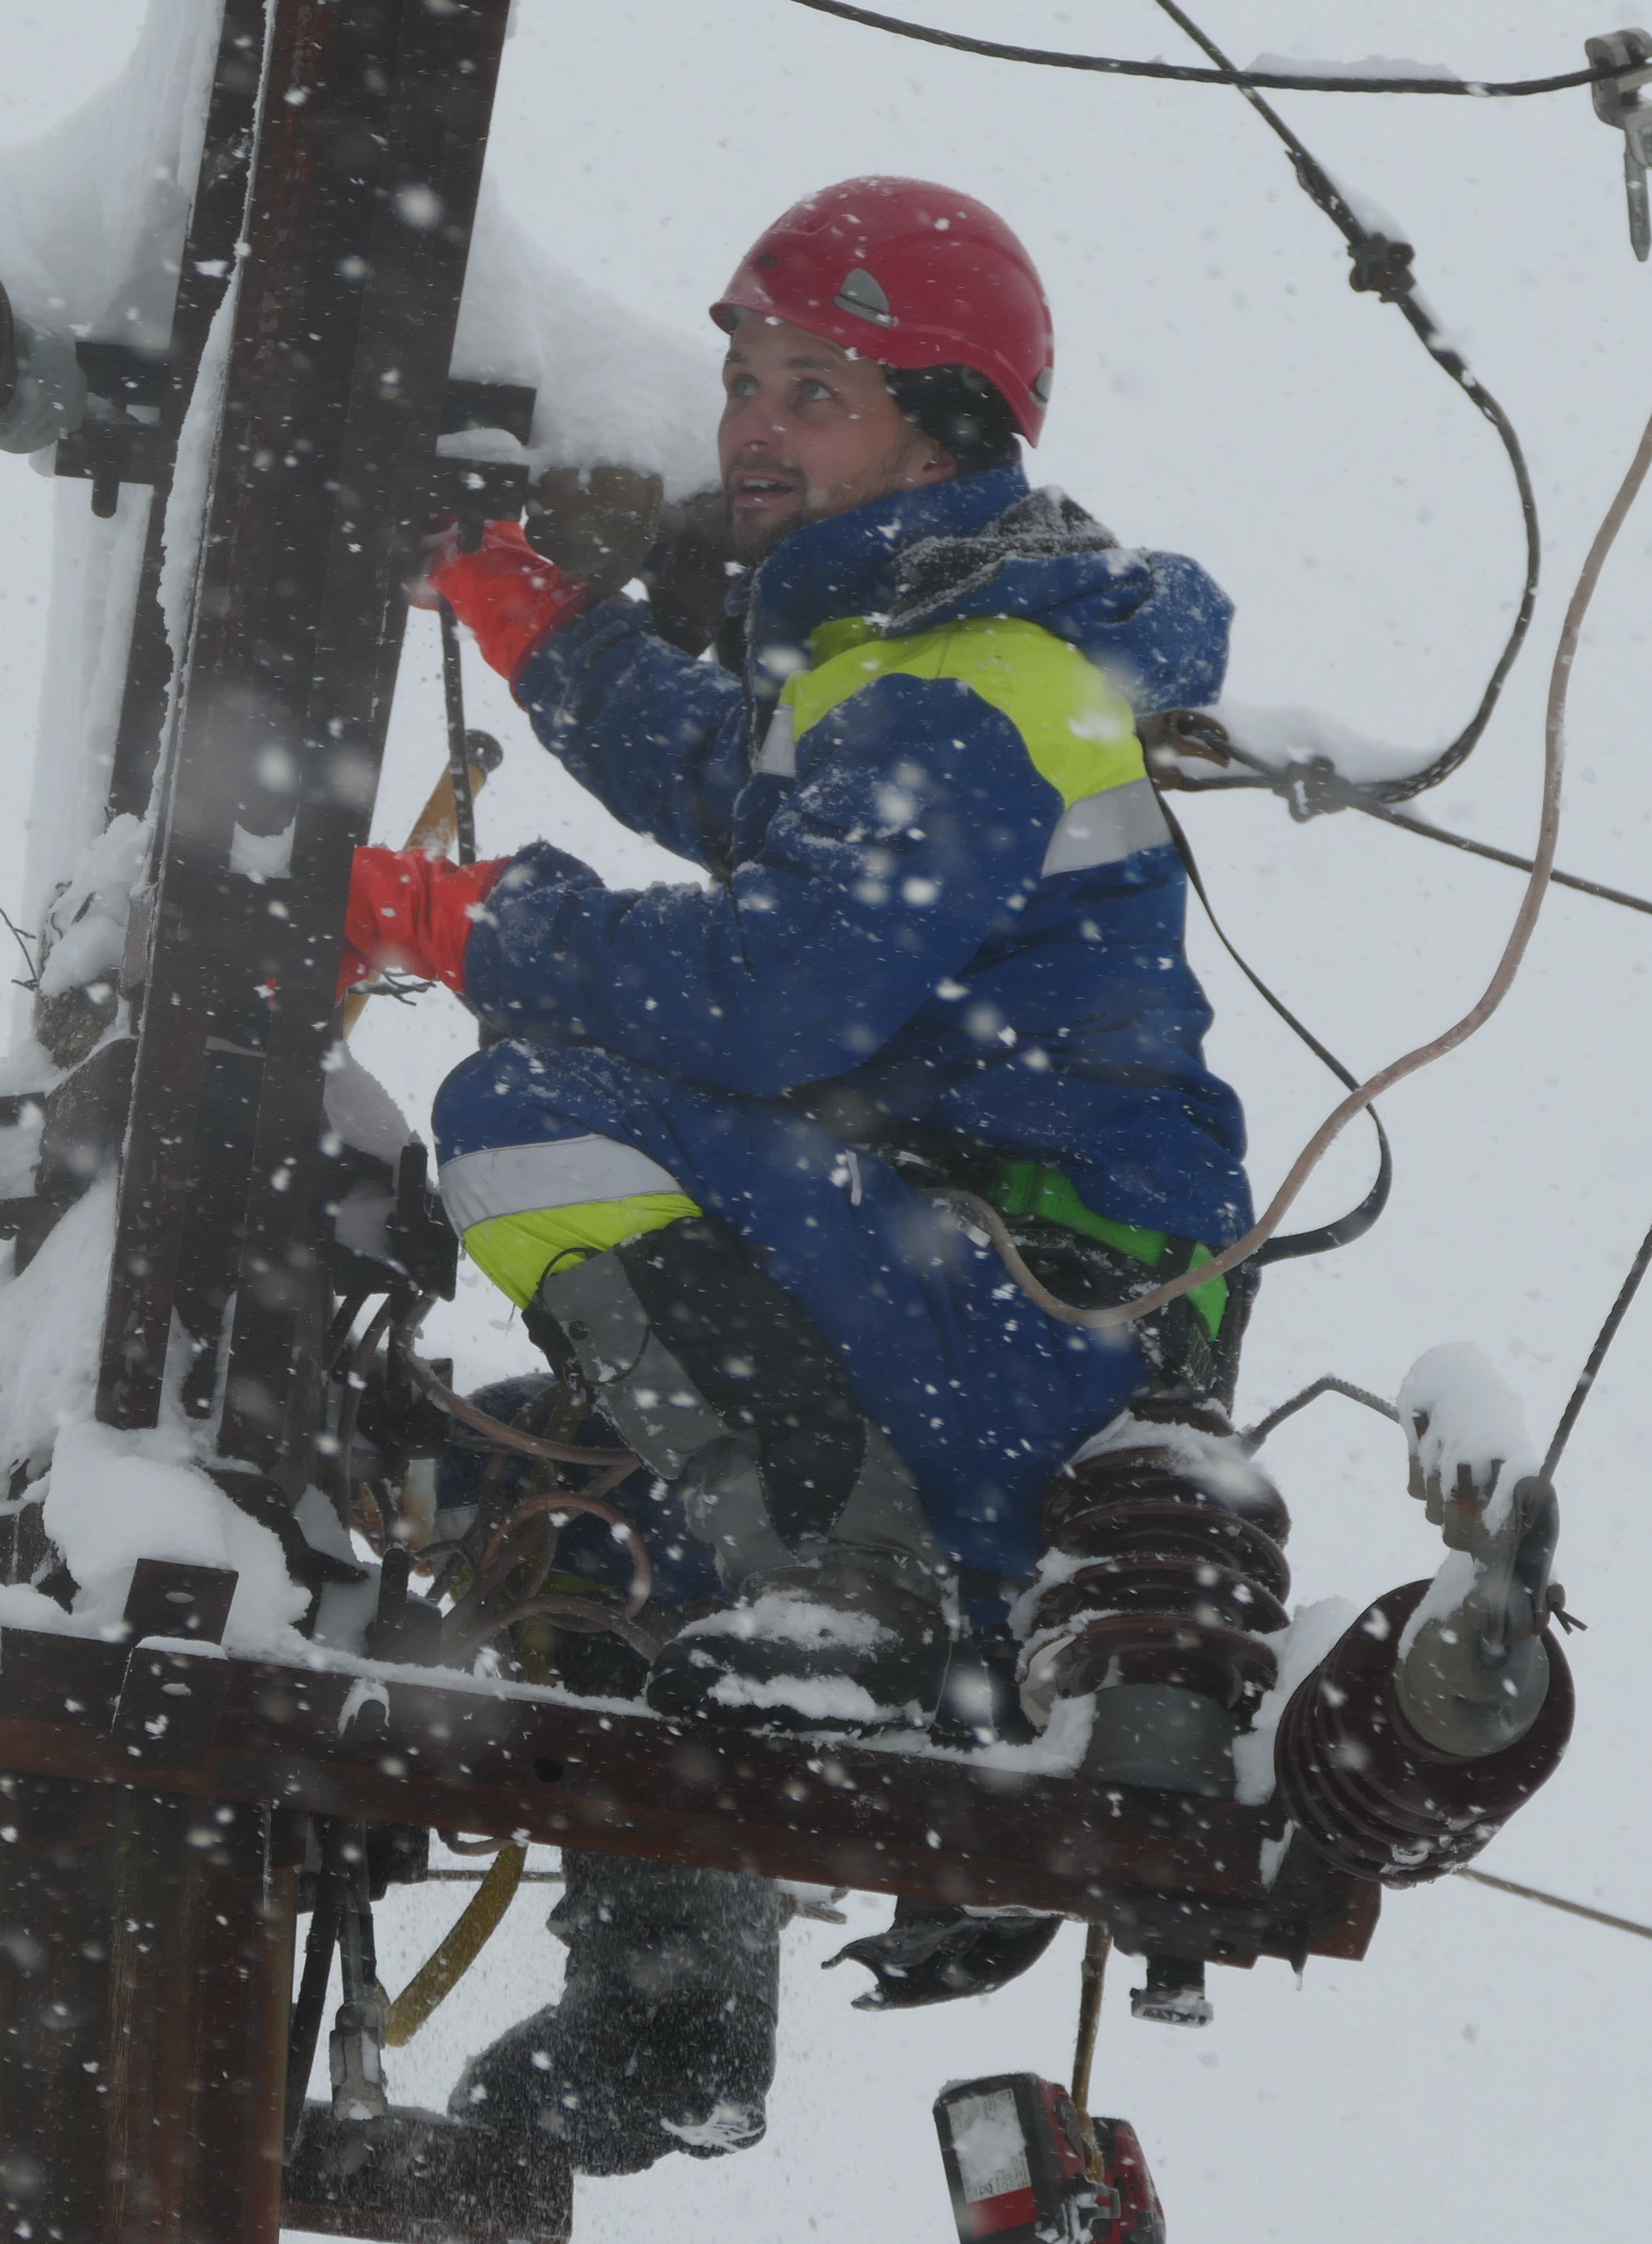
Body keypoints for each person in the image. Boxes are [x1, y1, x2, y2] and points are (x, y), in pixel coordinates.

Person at [347, 176, 1249, 1729]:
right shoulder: (904, 656)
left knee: (529, 1120)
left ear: (944, 436)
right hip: (966, 1283)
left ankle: (845, 1580)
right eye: (742, 385)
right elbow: (728, 777)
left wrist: (451, 916)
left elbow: (773, 997)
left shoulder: (969, 686)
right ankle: (669, 1966)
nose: (752, 429)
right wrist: (531, 620)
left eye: (813, 394)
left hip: (1032, 1311)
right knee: (622, 1544)